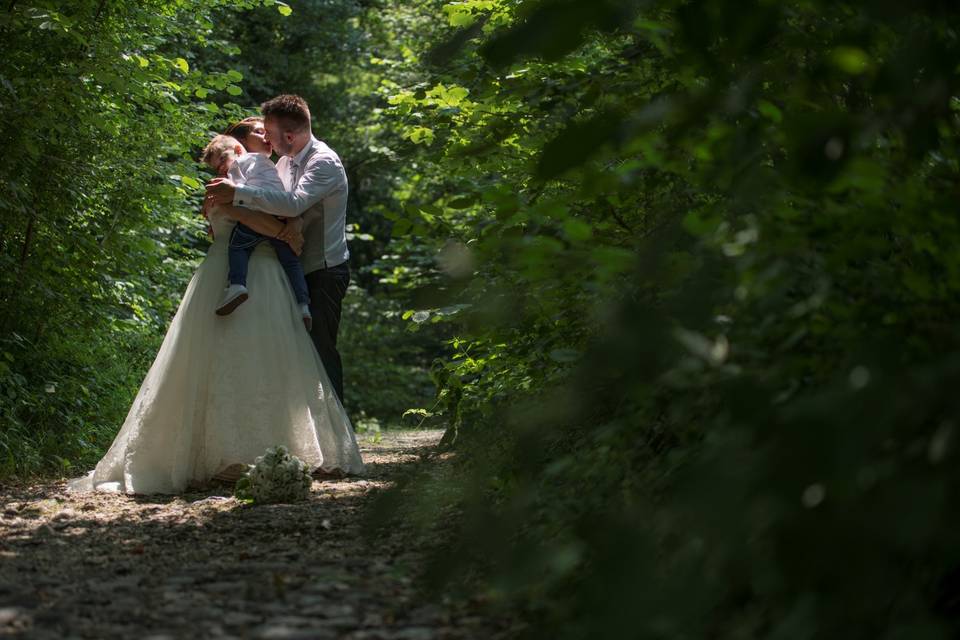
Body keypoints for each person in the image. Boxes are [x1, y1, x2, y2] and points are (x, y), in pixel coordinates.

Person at [67, 123, 364, 495]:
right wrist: (286, 230)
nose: (267, 135)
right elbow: (257, 219)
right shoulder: (232, 181)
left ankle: (269, 447)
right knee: (233, 357)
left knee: (267, 364)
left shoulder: (267, 172)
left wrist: (291, 224)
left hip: (266, 275)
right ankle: (227, 454)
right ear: (240, 146)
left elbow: (281, 208)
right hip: (246, 274)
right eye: (259, 131)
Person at [205, 95, 351, 404]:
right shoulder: (283, 161)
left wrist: (238, 193)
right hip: (289, 263)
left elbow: (293, 203)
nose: (266, 138)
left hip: (322, 269)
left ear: (287, 135)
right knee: (293, 354)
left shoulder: (323, 162)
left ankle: (341, 436)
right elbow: (274, 206)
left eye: (268, 131)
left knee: (321, 350)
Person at [200, 134, 312, 329]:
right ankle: (303, 305)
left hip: (256, 216)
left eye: (221, 162)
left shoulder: (239, 165)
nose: (221, 169)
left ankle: (237, 285)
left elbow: (236, 194)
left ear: (237, 150)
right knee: (291, 262)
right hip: (279, 213)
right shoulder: (268, 164)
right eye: (217, 168)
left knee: (238, 247)